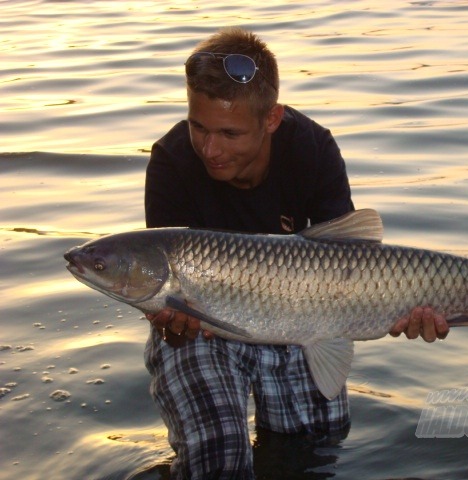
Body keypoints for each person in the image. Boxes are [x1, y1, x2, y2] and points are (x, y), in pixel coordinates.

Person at [143, 27, 450, 480]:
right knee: (219, 460)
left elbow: (351, 263)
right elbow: (167, 302)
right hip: (203, 335)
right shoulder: (171, 161)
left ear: (272, 119)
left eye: (229, 133)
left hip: (306, 321)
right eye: (198, 127)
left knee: (313, 451)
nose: (210, 149)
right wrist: (168, 325)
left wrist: (401, 306)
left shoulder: (312, 148)